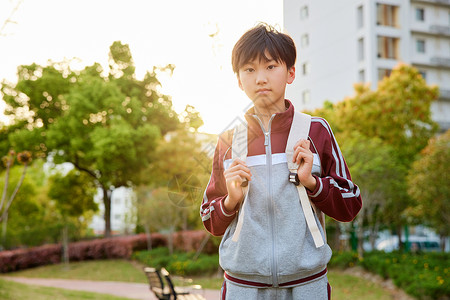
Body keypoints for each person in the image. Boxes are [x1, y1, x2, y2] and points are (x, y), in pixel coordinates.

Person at [200, 23, 362, 300]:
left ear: (290, 73)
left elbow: (350, 205)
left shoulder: (315, 131)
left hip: (307, 286)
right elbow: (209, 219)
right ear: (239, 80)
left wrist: (312, 182)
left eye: (271, 66)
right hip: (243, 287)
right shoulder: (230, 139)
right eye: (249, 69)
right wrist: (230, 201)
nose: (260, 78)